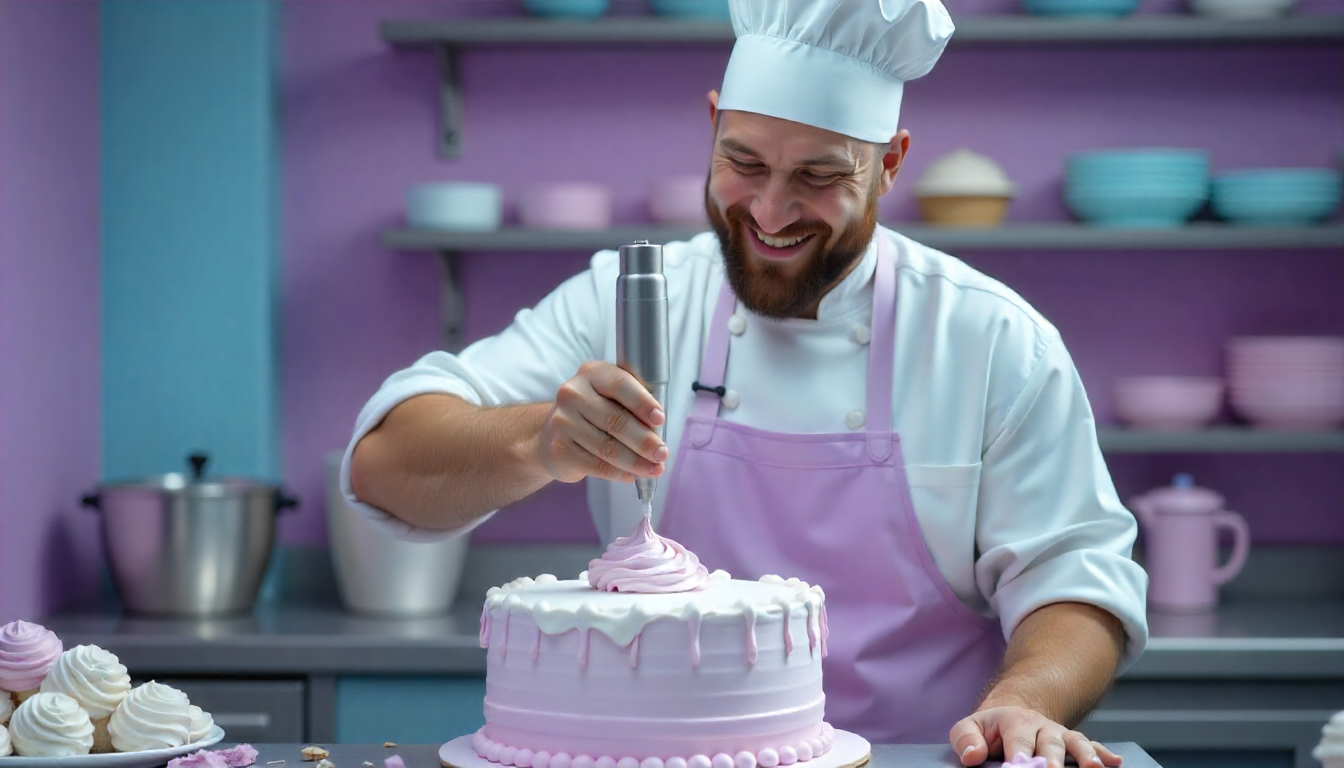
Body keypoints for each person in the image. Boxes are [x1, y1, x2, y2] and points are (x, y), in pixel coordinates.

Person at [344, 1, 1148, 765]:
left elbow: (1076, 580)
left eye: (819, 175)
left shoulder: (991, 338)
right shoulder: (632, 298)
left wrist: (1026, 699)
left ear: (890, 163)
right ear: (712, 125)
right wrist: (539, 442)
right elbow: (384, 468)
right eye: (744, 162)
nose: (770, 211)